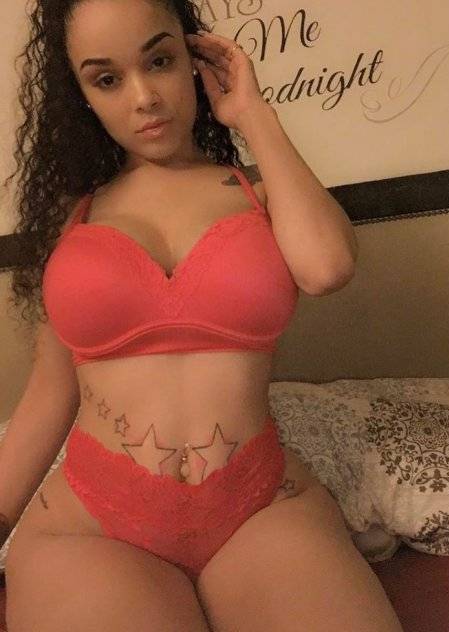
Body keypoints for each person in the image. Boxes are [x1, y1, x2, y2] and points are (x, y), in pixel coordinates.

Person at [1, 0, 403, 630]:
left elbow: (326, 268)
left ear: (193, 59)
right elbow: (50, 396)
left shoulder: (261, 193)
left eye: (159, 61)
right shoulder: (70, 220)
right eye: (106, 79)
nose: (143, 98)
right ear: (81, 96)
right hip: (91, 528)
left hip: (257, 510)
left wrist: (254, 114)